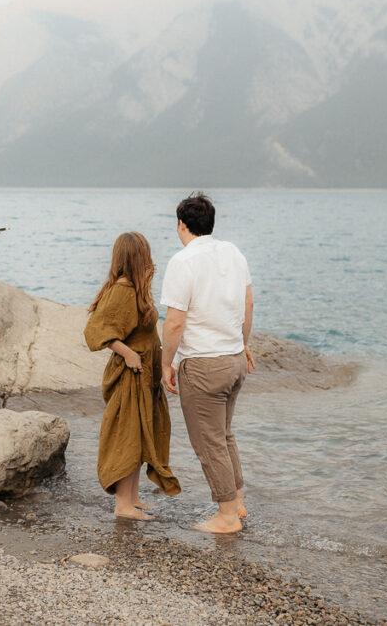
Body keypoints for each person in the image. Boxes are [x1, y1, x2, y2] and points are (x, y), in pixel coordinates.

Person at [160, 193, 255, 534]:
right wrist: (243, 344)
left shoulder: (183, 261)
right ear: (210, 224)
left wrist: (165, 364)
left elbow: (173, 322)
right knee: (225, 435)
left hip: (203, 364)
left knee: (209, 442)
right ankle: (238, 503)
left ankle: (227, 517)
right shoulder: (233, 252)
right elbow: (248, 303)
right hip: (233, 361)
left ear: (181, 225)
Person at [84, 232, 181, 520]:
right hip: (132, 374)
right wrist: (128, 353)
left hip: (145, 374)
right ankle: (122, 506)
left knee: (141, 432)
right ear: (138, 257)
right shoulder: (124, 290)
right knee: (128, 435)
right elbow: (97, 330)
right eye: (146, 254)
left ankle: (133, 497)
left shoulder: (135, 288)